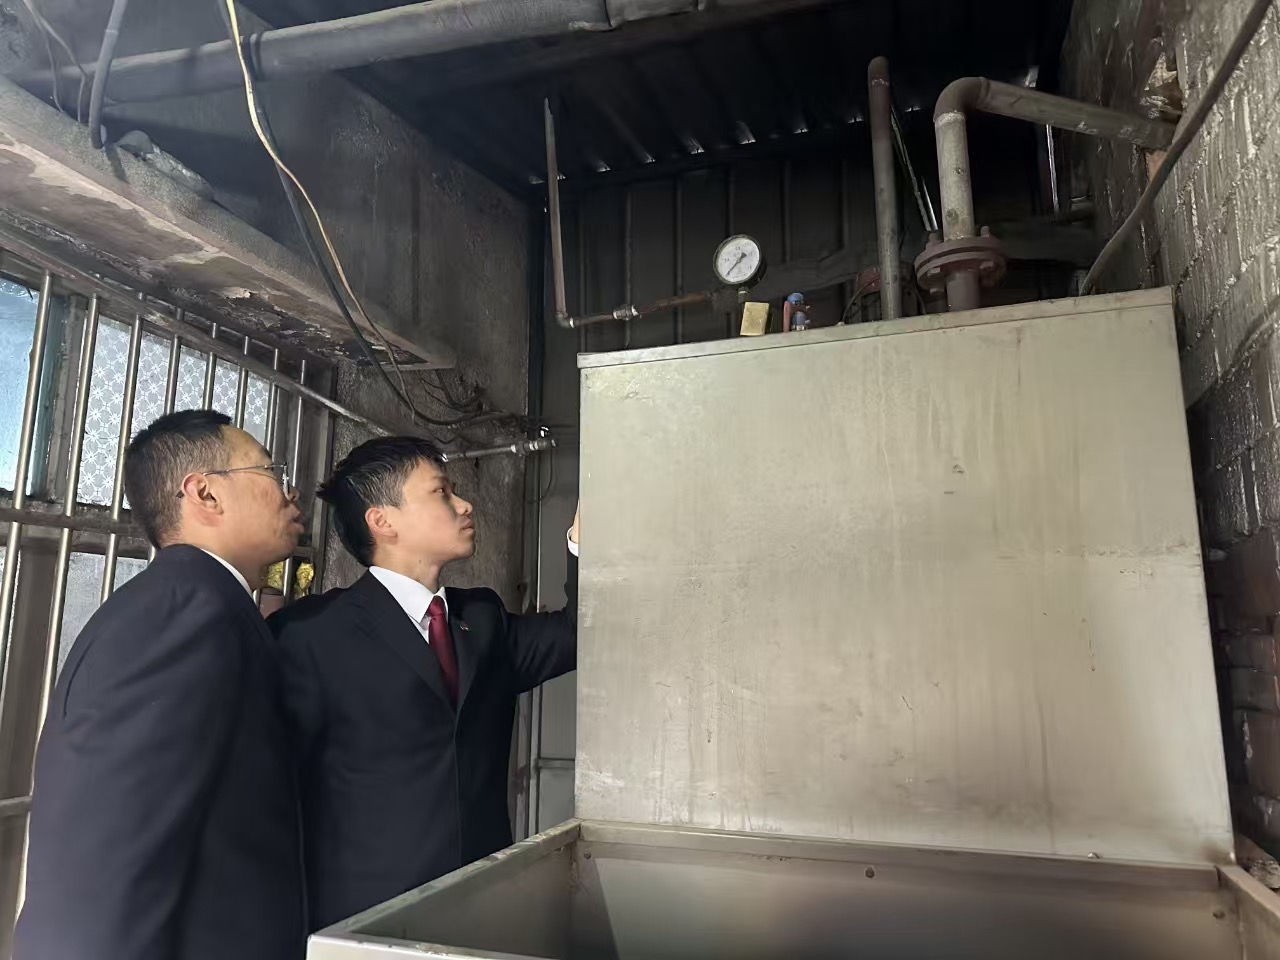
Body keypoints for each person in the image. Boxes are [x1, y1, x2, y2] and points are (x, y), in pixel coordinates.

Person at [16, 410, 307, 960]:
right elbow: (105, 860)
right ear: (205, 493)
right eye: (270, 472)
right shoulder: (183, 612)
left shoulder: (206, 604)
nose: (290, 492)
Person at [269, 436, 577, 930]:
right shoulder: (311, 634)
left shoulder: (483, 619)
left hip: (486, 904)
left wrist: (580, 540)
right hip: (366, 919)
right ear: (382, 521)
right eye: (441, 492)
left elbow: (576, 633)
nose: (465, 504)